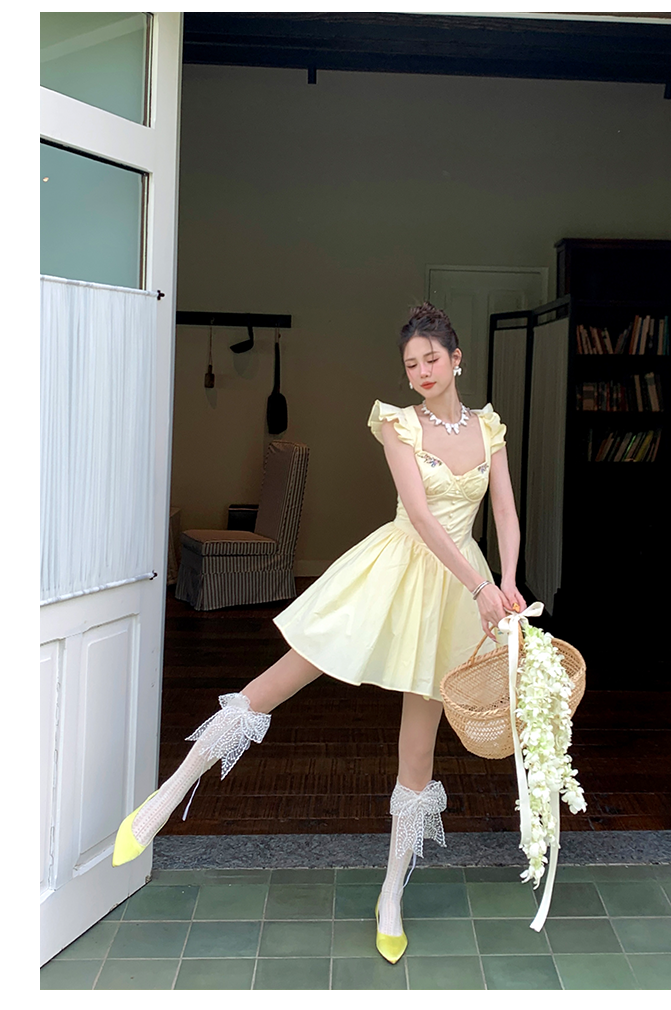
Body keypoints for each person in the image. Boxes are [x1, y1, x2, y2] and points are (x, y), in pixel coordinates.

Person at [112, 301, 525, 965]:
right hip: (396, 570)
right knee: (280, 679)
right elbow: (421, 516)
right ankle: (166, 796)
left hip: (460, 589)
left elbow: (503, 509)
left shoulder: (490, 428)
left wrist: (504, 581)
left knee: (419, 751)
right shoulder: (397, 424)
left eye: (431, 359)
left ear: (456, 360)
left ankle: (391, 895)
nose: (421, 371)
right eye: (411, 363)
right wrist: (481, 589)